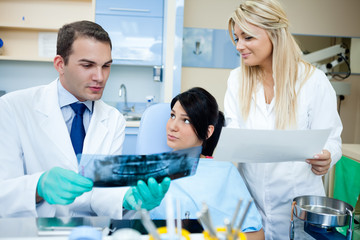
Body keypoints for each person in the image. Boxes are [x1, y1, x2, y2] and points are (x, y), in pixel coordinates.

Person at [0, 20, 169, 218]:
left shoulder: (113, 120)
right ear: (60, 64)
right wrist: (38, 186)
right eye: (88, 65)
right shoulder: (12, 107)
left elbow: (101, 192)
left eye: (106, 66)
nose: (100, 76)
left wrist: (126, 199)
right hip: (33, 231)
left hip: (90, 231)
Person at [224, 0, 343, 239]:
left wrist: (327, 157)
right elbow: (233, 133)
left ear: (274, 35)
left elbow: (332, 140)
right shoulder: (237, 80)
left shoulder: (313, 81)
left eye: (248, 37)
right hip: (251, 206)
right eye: (237, 38)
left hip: (298, 207)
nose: (239, 46)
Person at [149, 87, 265, 240]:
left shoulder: (224, 171)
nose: (172, 126)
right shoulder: (151, 167)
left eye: (186, 120)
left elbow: (256, 235)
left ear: (208, 132)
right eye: (172, 116)